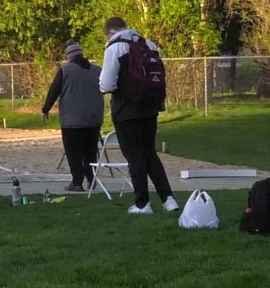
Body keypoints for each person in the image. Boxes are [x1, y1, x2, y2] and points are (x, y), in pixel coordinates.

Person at [99, 17, 179, 215]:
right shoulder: (148, 44)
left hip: (126, 110)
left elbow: (106, 84)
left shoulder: (115, 47)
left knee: (134, 156)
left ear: (110, 31)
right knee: (150, 153)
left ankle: (142, 203)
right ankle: (168, 199)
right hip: (150, 107)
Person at [42, 39, 104, 192]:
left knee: (73, 152)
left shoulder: (65, 71)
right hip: (93, 118)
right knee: (90, 152)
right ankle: (91, 178)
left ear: (69, 56)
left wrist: (45, 109)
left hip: (72, 120)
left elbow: (54, 91)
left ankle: (77, 182)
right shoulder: (97, 70)